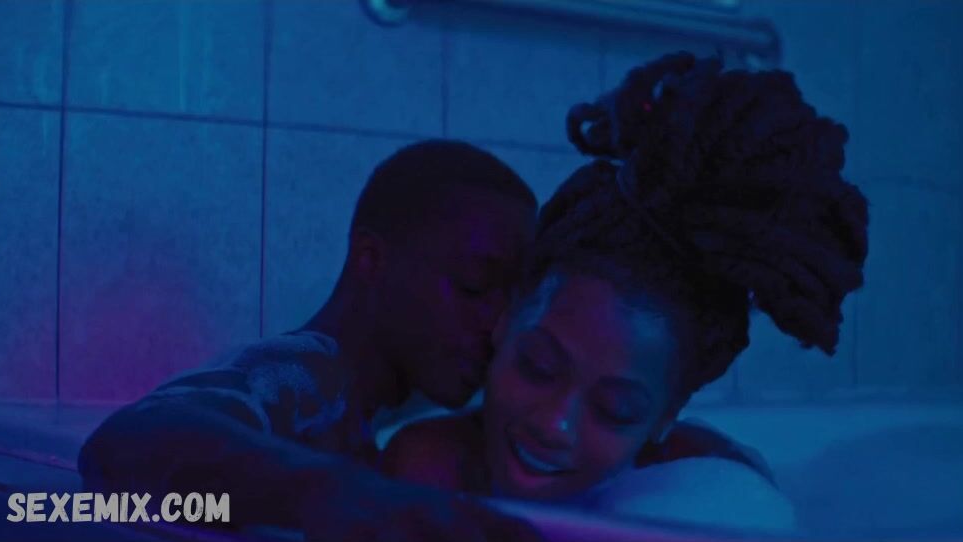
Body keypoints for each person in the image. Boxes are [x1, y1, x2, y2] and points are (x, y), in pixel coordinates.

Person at [381, 52, 870, 532]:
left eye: (614, 411)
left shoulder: (716, 503)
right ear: (505, 321)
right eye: (537, 367)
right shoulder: (431, 472)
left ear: (664, 419)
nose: (555, 424)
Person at [77, 140, 544, 541]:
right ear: (370, 260)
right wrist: (334, 490)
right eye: (474, 286)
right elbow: (126, 439)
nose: (500, 325)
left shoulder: (395, 411)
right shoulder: (310, 372)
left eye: (516, 299)